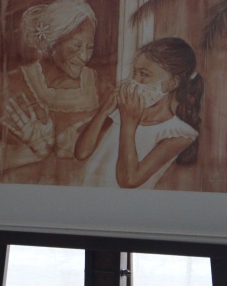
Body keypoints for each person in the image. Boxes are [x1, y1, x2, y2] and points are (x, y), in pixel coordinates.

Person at [0, 0, 112, 185]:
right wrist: (30, 148)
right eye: (76, 46)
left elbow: (112, 148)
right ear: (52, 43)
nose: (84, 57)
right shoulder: (12, 84)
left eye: (89, 47)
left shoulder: (100, 87)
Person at [75, 37, 204, 189]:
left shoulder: (179, 134)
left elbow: (128, 181)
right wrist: (103, 112)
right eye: (134, 73)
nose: (134, 80)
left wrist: (129, 122)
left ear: (172, 83)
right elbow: (81, 153)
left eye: (144, 74)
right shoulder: (120, 113)